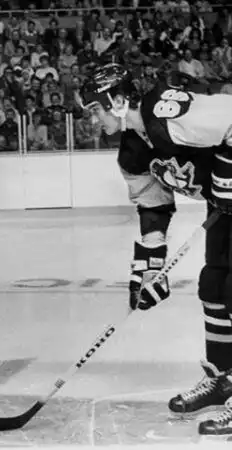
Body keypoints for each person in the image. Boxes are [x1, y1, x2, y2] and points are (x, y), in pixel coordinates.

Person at [78, 63, 232, 438]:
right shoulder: (132, 152)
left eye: (95, 109)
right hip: (224, 209)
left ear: (117, 100)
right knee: (213, 287)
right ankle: (223, 379)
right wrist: (150, 269)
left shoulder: (166, 111)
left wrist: (228, 170)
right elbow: (153, 207)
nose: (92, 120)